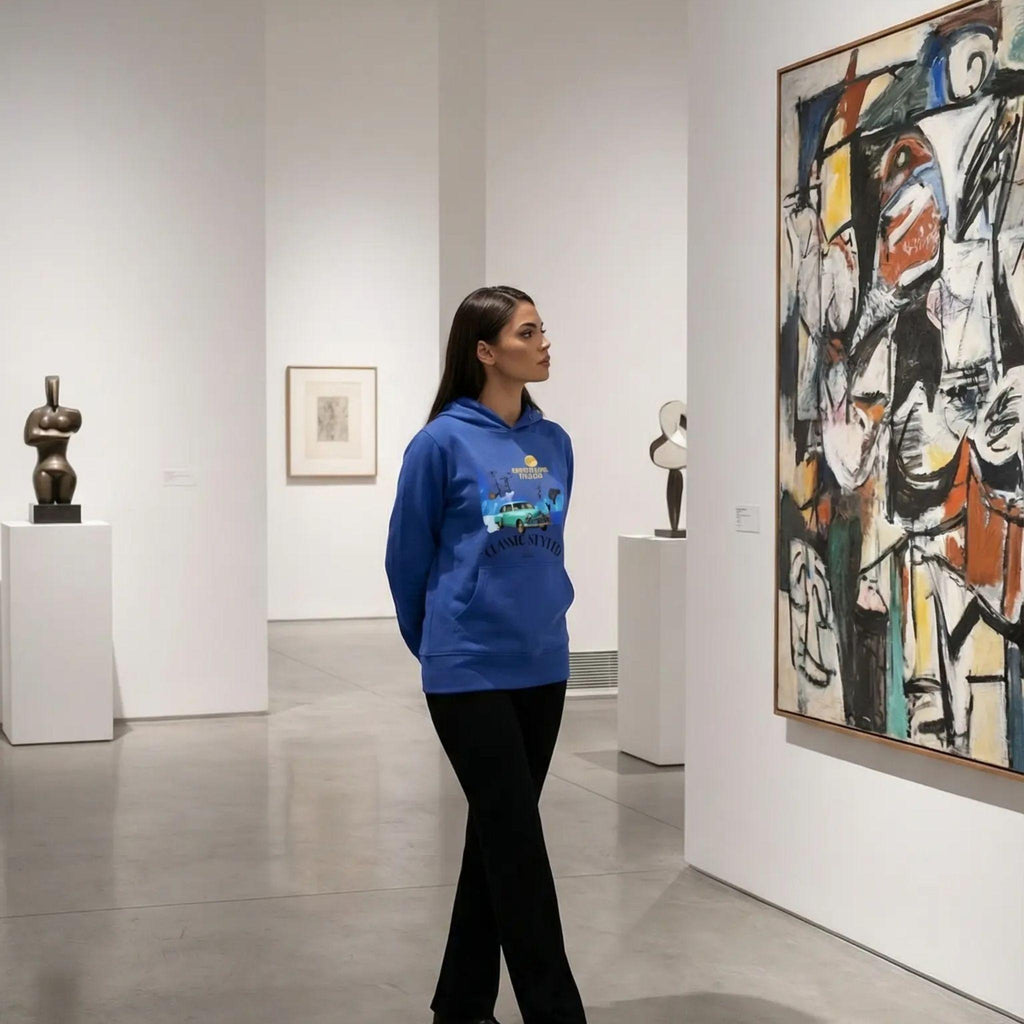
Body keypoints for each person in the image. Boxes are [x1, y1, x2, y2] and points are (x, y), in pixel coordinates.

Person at [385, 286, 587, 1024]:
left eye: (541, 329)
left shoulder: (555, 441)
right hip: (468, 669)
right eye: (528, 331)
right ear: (485, 349)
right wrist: (441, 642)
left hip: (544, 665)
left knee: (497, 836)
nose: (544, 342)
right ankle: (557, 1012)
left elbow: (547, 548)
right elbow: (406, 561)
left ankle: (461, 1004)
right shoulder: (439, 444)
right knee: (519, 847)